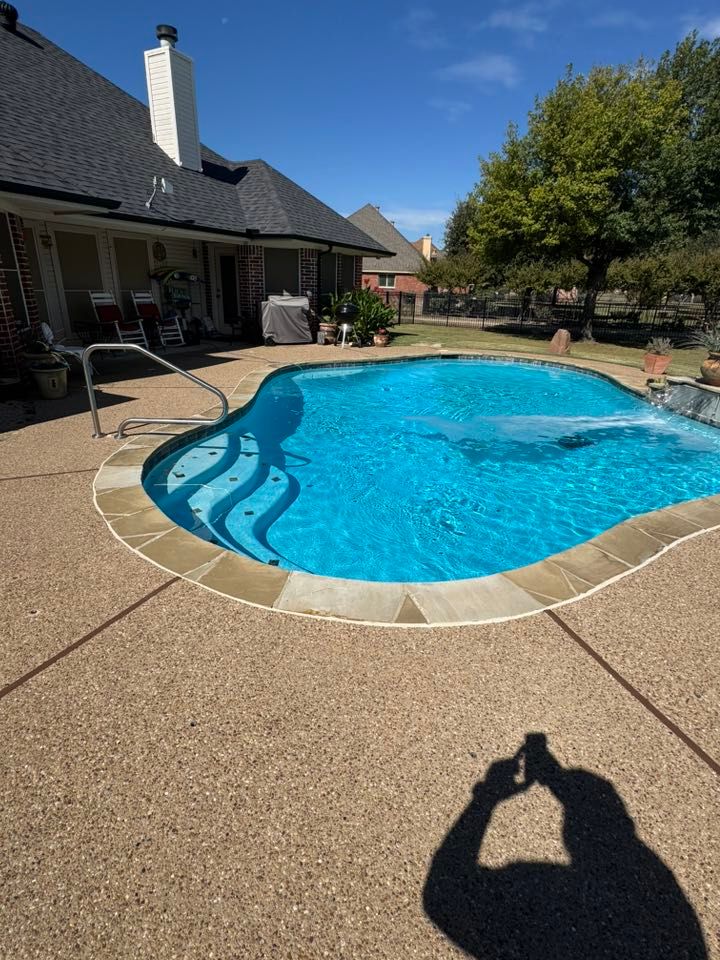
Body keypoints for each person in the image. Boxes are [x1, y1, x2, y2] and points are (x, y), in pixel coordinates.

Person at [423, 735, 707, 959]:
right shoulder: (658, 899)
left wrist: (485, 799)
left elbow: (444, 895)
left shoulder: (561, 896)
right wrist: (558, 782)